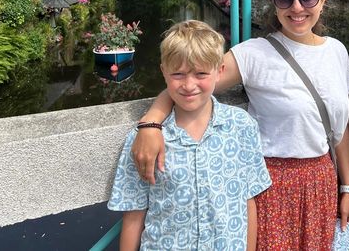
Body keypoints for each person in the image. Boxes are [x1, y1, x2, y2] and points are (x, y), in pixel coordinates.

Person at [132, 0, 349, 250]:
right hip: (270, 184)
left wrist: (348, 187)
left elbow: (340, 128)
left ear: (322, 0)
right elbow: (192, 85)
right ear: (274, 2)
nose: (297, 7)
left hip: (321, 182)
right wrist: (151, 123)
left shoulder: (337, 51)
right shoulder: (254, 53)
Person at [107, 20, 272, 251]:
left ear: (220, 71)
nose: (189, 84)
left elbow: (248, 201)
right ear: (163, 72)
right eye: (178, 74)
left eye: (201, 73)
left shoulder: (241, 126)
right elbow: (134, 213)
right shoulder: (144, 139)